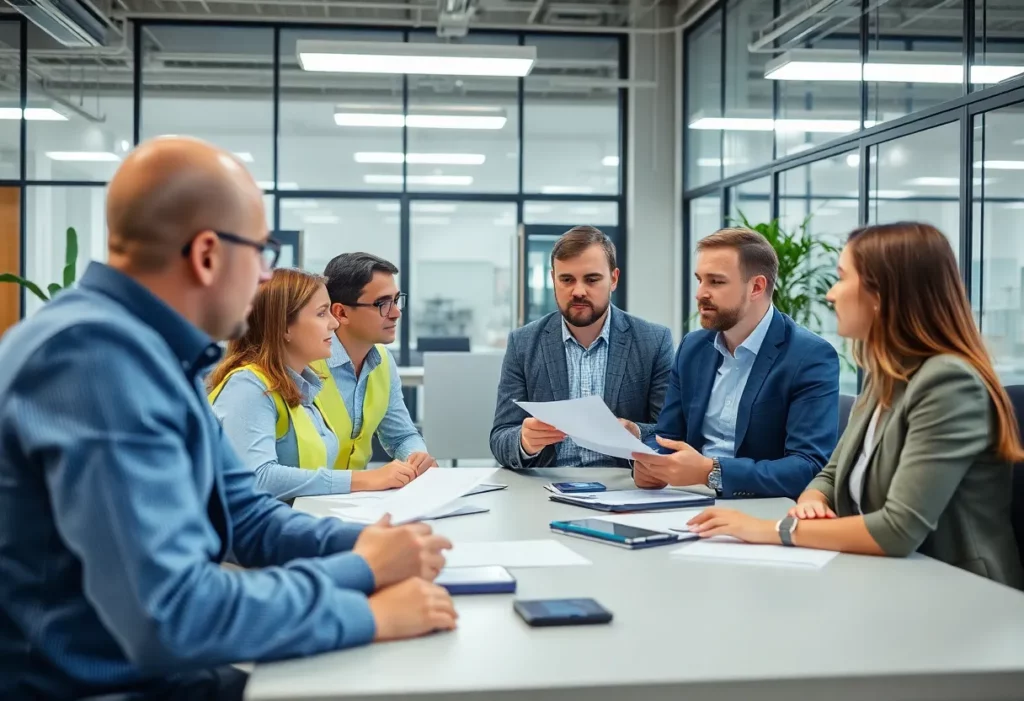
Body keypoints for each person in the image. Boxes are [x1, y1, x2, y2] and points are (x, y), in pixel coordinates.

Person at [0, 136, 457, 701]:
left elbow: (246, 515)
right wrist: (365, 597)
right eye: (262, 253)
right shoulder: (91, 360)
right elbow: (171, 615)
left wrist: (371, 544)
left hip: (155, 672)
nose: (266, 278)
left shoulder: (159, 355)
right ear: (208, 255)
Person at [686, 222, 1024, 590]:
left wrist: (769, 529)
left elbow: (898, 528)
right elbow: (830, 474)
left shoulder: (948, 383)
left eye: (843, 277)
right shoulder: (887, 375)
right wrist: (812, 500)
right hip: (885, 577)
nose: (831, 294)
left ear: (883, 292)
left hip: (960, 589)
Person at [633, 227, 839, 499]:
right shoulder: (693, 348)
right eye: (700, 280)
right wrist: (650, 462)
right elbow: (666, 437)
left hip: (762, 507)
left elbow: (808, 467)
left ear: (756, 287)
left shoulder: (810, 356)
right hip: (689, 499)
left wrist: (711, 471)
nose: (700, 293)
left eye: (716, 282)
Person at [208, 268, 425, 500]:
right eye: (322, 313)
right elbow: (257, 478)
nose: (333, 323)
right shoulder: (247, 386)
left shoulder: (302, 385)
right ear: (284, 326)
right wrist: (364, 479)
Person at [491, 225, 675, 469]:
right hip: (547, 482)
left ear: (614, 279)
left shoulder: (653, 341)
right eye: (567, 279)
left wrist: (637, 433)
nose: (578, 291)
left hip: (625, 482)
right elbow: (500, 437)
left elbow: (671, 434)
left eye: (591, 279)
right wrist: (524, 442)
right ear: (553, 279)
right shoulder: (523, 343)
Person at [319, 252, 437, 476]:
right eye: (382, 303)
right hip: (306, 495)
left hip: (358, 495)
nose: (396, 313)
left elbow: (401, 436)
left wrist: (418, 458)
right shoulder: (306, 362)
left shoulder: (383, 360)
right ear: (341, 313)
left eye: (396, 300)